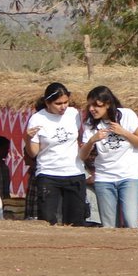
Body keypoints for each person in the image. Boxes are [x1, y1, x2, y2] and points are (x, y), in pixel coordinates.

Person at [78, 86, 138, 229]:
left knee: (131, 222)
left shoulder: (126, 115)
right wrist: (92, 140)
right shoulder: (90, 124)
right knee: (109, 226)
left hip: (129, 176)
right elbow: (82, 156)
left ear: (108, 104)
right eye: (89, 105)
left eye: (96, 105)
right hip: (104, 178)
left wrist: (124, 132)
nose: (92, 109)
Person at [23, 82, 86, 226]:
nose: (63, 107)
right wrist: (27, 139)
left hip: (74, 172)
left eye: (66, 102)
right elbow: (33, 153)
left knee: (76, 222)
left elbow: (80, 139)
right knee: (48, 220)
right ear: (47, 102)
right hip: (48, 174)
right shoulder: (37, 119)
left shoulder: (74, 114)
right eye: (58, 103)